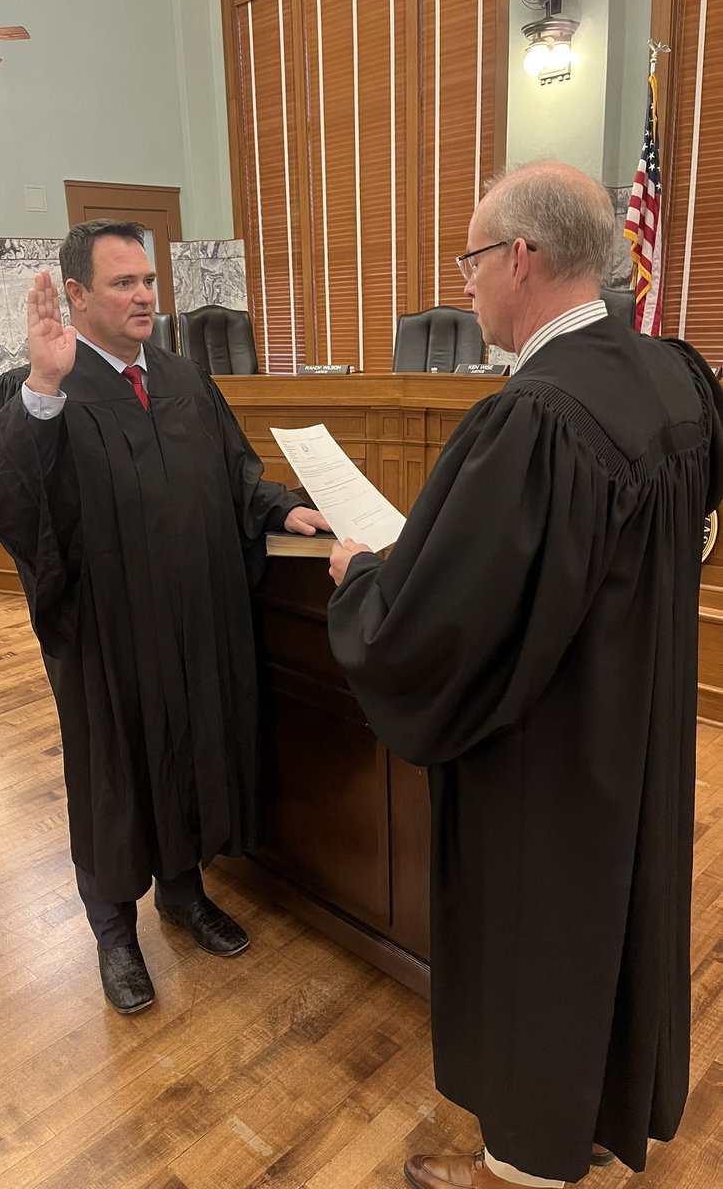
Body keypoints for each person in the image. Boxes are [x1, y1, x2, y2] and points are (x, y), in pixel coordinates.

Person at [326, 162, 723, 1188]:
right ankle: (590, 1115)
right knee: (611, 922)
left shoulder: (538, 417)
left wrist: (364, 579)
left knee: (538, 939)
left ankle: (522, 1165)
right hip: (636, 732)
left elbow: (435, 626)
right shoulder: (674, 376)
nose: (463, 284)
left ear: (520, 257)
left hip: (548, 752)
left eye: (469, 260)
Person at [0, 219, 326, 1015]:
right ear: (76, 293)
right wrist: (44, 388)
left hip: (194, 617)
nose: (143, 297)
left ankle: (184, 894)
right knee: (117, 770)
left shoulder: (180, 377)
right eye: (123, 282)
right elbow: (4, 497)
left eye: (149, 281)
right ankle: (113, 933)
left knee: (189, 746)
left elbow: (232, 470)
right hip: (109, 633)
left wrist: (276, 507)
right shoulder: (39, 389)